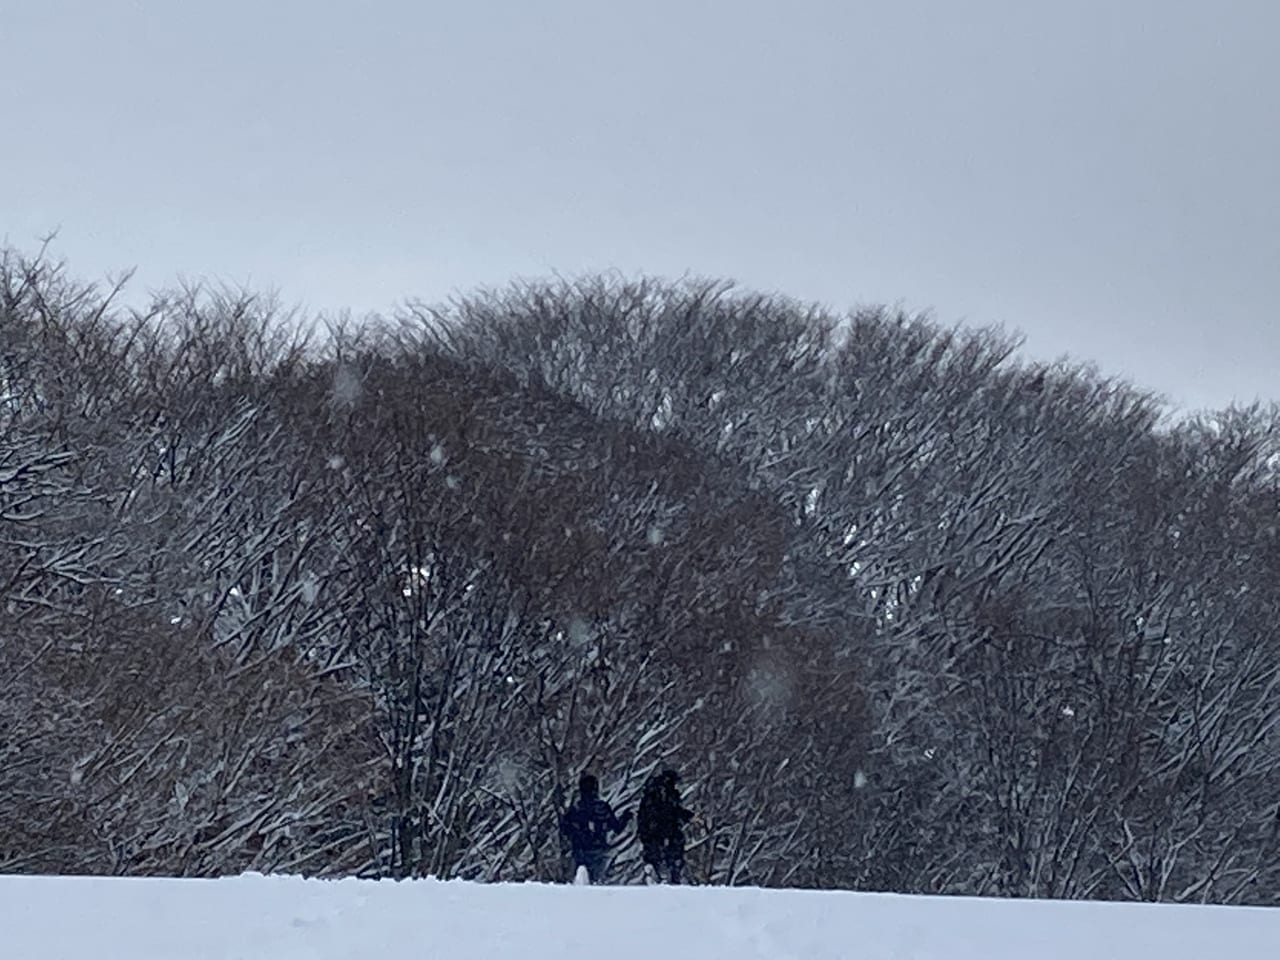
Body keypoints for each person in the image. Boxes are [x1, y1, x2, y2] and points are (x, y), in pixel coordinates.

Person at [559, 772, 631, 884]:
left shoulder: (576, 809)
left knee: (580, 880)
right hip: (599, 850)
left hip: (580, 851)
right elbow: (617, 827)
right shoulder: (602, 807)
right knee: (597, 882)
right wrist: (626, 817)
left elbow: (564, 829)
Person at [637, 768, 694, 884]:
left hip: (650, 831)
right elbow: (673, 811)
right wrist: (687, 816)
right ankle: (670, 876)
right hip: (666, 830)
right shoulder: (667, 794)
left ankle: (655, 873)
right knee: (673, 855)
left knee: (654, 855)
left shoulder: (650, 794)